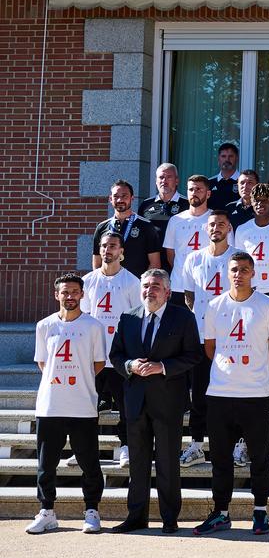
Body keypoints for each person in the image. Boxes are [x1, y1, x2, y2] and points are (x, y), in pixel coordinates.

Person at [193, 252, 269, 536]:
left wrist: (258, 368)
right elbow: (210, 348)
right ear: (227, 272)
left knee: (259, 456)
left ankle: (260, 511)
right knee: (220, 457)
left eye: (245, 270)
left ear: (253, 273)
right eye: (234, 269)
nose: (239, 274)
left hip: (255, 394)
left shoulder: (267, 305)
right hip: (220, 393)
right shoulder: (215, 305)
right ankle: (221, 512)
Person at [108, 269, 203, 534]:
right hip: (135, 400)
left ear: (168, 292)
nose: (150, 290)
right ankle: (136, 516)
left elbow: (194, 355)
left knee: (168, 461)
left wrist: (162, 366)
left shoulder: (183, 317)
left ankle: (169, 517)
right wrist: (129, 364)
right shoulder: (128, 317)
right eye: (146, 286)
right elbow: (115, 355)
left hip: (168, 401)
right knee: (137, 461)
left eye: (156, 286)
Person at [26, 274, 107, 535]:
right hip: (50, 405)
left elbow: (98, 364)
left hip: (82, 405)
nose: (69, 296)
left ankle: (92, 510)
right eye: (65, 292)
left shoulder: (93, 326)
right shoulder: (44, 326)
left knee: (89, 463)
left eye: (74, 291)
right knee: (45, 464)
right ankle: (47, 511)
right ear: (56, 295)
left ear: (82, 295)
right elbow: (43, 363)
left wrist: (77, 379)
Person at [175, 209, 235, 465]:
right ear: (205, 229)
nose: (216, 228)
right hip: (201, 336)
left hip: (230, 337)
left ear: (229, 228)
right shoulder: (193, 259)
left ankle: (237, 444)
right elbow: (189, 296)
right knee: (199, 393)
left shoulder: (238, 258)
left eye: (221, 224)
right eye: (212, 225)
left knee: (233, 392)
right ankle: (197, 443)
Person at [81, 233, 141, 455]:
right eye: (104, 246)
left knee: (125, 406)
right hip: (94, 356)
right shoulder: (88, 281)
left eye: (113, 246)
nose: (108, 250)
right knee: (87, 406)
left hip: (119, 355)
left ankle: (126, 446)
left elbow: (138, 320)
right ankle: (84, 449)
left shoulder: (133, 282)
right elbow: (83, 318)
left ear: (121, 253)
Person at [92, 179, 162, 277]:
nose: (120, 200)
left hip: (135, 287)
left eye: (124, 196)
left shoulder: (146, 226)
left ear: (132, 198)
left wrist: (140, 286)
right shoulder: (102, 227)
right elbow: (97, 264)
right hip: (110, 287)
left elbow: (155, 264)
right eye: (116, 196)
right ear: (110, 199)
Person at [164, 175, 224, 284]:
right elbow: (170, 254)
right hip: (179, 284)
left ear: (208, 194)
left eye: (199, 189)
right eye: (191, 189)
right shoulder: (175, 220)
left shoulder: (218, 220)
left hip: (207, 284)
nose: (194, 193)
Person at [139, 163, 188, 253]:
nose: (164, 181)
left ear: (177, 181)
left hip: (178, 259)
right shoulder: (146, 204)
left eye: (169, 177)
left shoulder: (187, 205)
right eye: (161, 177)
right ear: (156, 181)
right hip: (152, 260)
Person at [207, 142, 241, 210]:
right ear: (218, 159)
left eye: (231, 156)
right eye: (223, 156)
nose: (227, 159)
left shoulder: (244, 183)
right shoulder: (208, 184)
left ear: (237, 158)